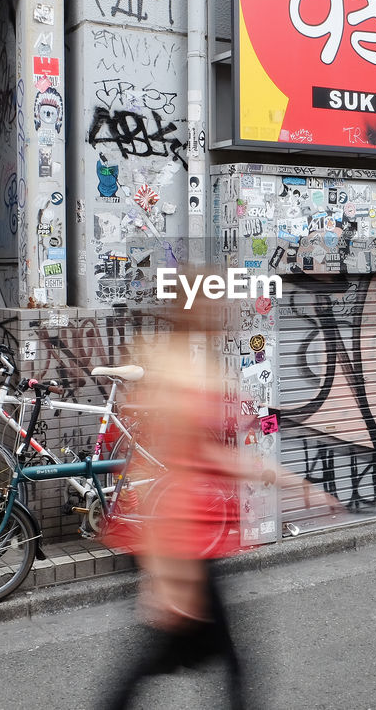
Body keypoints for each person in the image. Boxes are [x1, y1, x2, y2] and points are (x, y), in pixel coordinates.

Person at [99, 289, 339, 710]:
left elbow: (208, 454)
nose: (221, 314)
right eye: (213, 307)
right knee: (207, 660)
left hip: (191, 538)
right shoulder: (178, 374)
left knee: (185, 658)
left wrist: (293, 484)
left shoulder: (191, 365)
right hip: (181, 540)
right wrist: (167, 577)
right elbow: (172, 467)